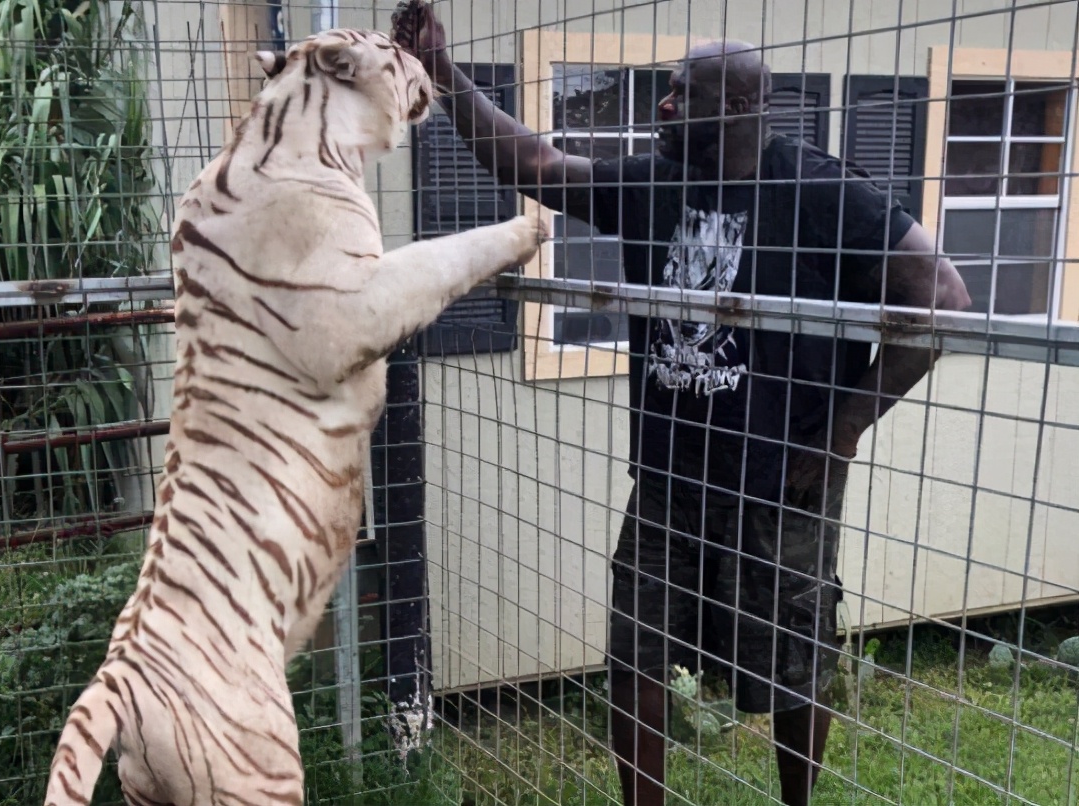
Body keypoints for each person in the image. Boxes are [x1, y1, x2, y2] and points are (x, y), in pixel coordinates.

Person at [391, 3, 972, 804]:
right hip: (668, 479)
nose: (662, 107)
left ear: (736, 106)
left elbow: (940, 297)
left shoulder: (825, 192)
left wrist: (841, 433)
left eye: (679, 93)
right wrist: (442, 72)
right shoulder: (653, 180)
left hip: (781, 482)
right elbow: (534, 165)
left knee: (794, 656)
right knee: (636, 653)